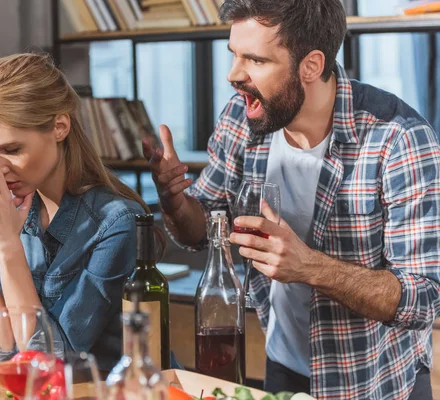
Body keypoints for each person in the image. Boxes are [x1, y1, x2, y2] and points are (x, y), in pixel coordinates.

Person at [143, 0, 440, 399]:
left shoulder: (399, 140)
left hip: (378, 384)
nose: (233, 75)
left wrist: (308, 266)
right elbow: (202, 231)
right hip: (284, 370)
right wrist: (173, 199)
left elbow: (425, 298)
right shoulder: (242, 117)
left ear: (312, 65)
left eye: (256, 60)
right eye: (234, 55)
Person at [0, 52, 156, 372]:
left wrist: (8, 248)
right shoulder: (10, 213)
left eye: (12, 149)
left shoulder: (117, 223)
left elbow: (48, 363)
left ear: (60, 127)